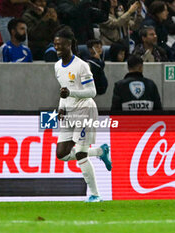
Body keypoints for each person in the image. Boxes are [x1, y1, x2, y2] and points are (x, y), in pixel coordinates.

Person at [53, 26, 112, 202]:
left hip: (85, 109)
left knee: (80, 153)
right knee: (62, 154)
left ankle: (95, 195)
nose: (57, 48)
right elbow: (63, 90)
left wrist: (71, 94)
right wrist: (61, 106)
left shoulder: (82, 66)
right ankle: (101, 152)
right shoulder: (57, 66)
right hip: (69, 111)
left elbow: (92, 91)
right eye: (55, 45)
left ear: (69, 44)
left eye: (61, 45)